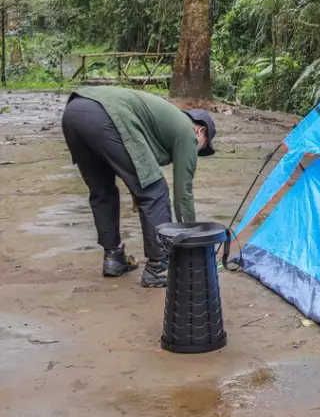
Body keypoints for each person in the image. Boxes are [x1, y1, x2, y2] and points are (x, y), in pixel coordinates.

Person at [60, 86, 216, 288]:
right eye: (203, 146)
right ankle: (159, 267)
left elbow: (132, 161)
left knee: (102, 191)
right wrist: (190, 241)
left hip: (74, 111)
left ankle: (114, 258)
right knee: (155, 191)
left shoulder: (161, 119)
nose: (197, 151)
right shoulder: (188, 132)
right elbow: (182, 192)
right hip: (106, 114)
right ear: (200, 130)